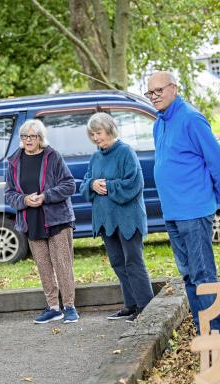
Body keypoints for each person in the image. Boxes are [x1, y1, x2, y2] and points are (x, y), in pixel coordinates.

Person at [147, 71, 220, 333]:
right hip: (173, 213)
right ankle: (204, 328)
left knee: (203, 276)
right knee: (189, 275)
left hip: (195, 210)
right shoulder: (159, 122)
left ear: (174, 89)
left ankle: (214, 334)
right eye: (150, 93)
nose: (154, 97)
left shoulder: (191, 118)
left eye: (158, 91)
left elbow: (216, 162)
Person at [80, 112, 154, 323]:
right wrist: (92, 185)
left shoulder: (126, 152)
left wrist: (109, 186)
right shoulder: (95, 156)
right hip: (106, 221)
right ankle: (131, 305)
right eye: (92, 134)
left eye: (99, 133)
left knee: (133, 262)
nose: (96, 137)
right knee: (118, 263)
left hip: (128, 219)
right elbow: (85, 183)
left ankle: (145, 306)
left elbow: (135, 184)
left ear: (110, 130)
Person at [5, 119, 79, 324]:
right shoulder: (13, 162)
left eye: (33, 136)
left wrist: (46, 196)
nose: (28, 140)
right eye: (25, 136)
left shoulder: (52, 156)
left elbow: (69, 184)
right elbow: (9, 193)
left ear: (40, 138)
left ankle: (70, 306)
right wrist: (24, 200)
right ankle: (54, 307)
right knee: (44, 266)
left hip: (57, 219)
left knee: (63, 264)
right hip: (31, 220)